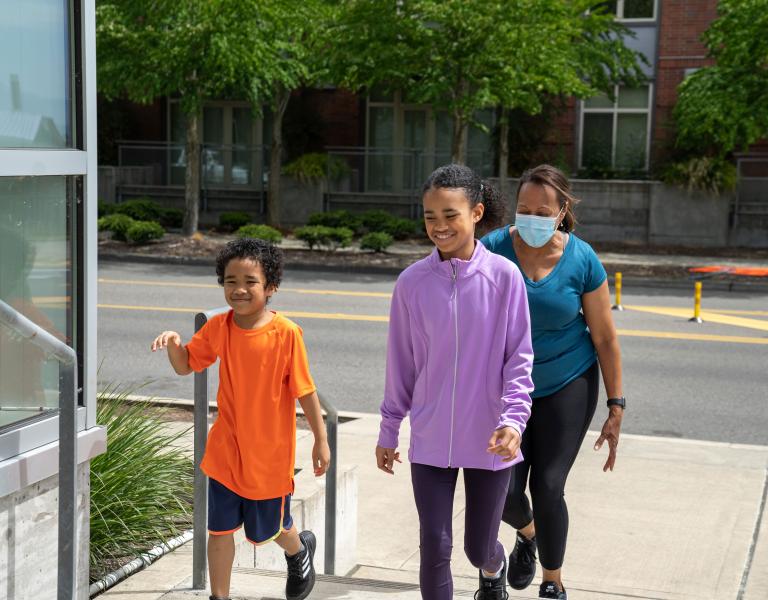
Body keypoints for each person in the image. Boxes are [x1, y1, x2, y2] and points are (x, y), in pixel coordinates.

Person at [376, 164, 534, 600]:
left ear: (477, 212)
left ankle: (494, 567)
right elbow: (401, 364)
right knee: (435, 548)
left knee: (476, 548)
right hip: (429, 440)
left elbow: (519, 360)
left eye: (450, 215)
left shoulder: (504, 277)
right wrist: (389, 429)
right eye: (430, 216)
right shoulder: (411, 284)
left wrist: (514, 422)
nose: (439, 226)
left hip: (491, 439)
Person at [151, 238, 331, 600]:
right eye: (230, 281)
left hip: (268, 457)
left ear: (271, 286)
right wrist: (174, 344)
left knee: (273, 528)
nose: (239, 289)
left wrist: (321, 439)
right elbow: (187, 364)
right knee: (219, 530)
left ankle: (299, 551)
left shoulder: (287, 334)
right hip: (225, 452)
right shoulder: (219, 327)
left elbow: (305, 391)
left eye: (250, 281)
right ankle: (220, 596)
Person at [481, 164, 625, 600]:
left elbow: (603, 336)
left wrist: (616, 406)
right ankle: (528, 534)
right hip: (508, 388)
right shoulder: (491, 250)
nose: (531, 218)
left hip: (567, 380)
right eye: (523, 209)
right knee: (502, 491)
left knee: (548, 485)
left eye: (542, 211)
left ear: (562, 211)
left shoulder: (582, 258)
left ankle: (553, 582)